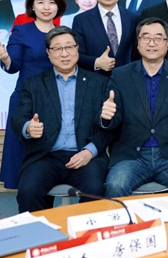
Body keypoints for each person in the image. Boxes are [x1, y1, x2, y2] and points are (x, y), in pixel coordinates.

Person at [12, 26, 111, 212]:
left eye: (69, 47)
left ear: (77, 49)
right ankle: (40, 231)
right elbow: (19, 118)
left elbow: (108, 128)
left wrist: (89, 152)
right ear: (48, 53)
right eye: (57, 48)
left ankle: (84, 231)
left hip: (85, 155)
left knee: (96, 190)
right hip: (45, 156)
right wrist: (28, 128)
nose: (64, 54)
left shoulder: (99, 83)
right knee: (28, 191)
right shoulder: (33, 84)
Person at [102, 18, 168, 196]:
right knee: (115, 185)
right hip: (132, 155)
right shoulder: (121, 75)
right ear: (138, 43)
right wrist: (107, 117)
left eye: (158, 38)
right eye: (146, 37)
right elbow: (113, 120)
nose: (151, 43)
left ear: (167, 43)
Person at [0, 0, 67, 189]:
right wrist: (5, 58)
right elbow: (13, 66)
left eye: (52, 2)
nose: (46, 7)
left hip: (58, 98)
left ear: (59, 6)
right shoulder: (22, 30)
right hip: (26, 100)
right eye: (41, 2)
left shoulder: (65, 34)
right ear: (32, 6)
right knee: (23, 159)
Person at [72, 0, 138, 77]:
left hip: (127, 80)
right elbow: (76, 54)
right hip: (95, 80)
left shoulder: (132, 18)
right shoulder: (81, 20)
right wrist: (96, 62)